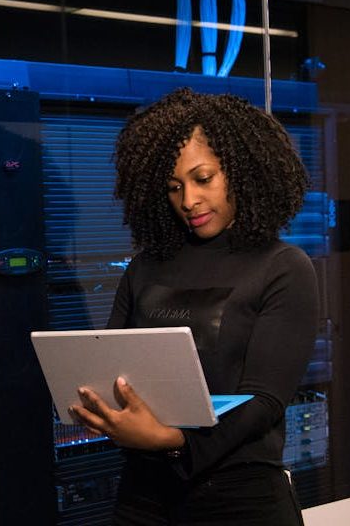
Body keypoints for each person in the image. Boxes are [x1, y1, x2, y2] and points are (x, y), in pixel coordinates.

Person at [68, 88, 319, 525]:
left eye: (203, 179)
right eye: (173, 187)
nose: (188, 201)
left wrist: (172, 440)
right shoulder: (145, 268)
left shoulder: (282, 267)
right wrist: (100, 407)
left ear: (242, 172)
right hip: (143, 498)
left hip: (241, 501)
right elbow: (110, 366)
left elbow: (263, 402)